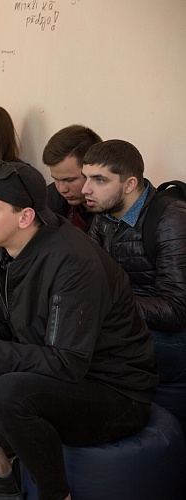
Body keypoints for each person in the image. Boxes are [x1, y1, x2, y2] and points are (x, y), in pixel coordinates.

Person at [0, 160, 157, 500]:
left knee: (9, 392)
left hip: (113, 394)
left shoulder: (73, 262)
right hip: (54, 373)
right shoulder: (2, 246)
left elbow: (68, 362)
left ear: (25, 217)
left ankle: (55, 495)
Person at [83, 139, 186, 429]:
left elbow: (176, 310)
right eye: (85, 177)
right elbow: (87, 278)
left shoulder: (170, 218)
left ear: (129, 184)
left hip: (170, 336)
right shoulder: (103, 216)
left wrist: (110, 307)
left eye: (99, 180)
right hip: (127, 325)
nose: (85, 189)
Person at [41, 124, 102, 232]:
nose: (61, 189)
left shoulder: (116, 215)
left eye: (69, 180)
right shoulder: (47, 200)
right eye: (56, 179)